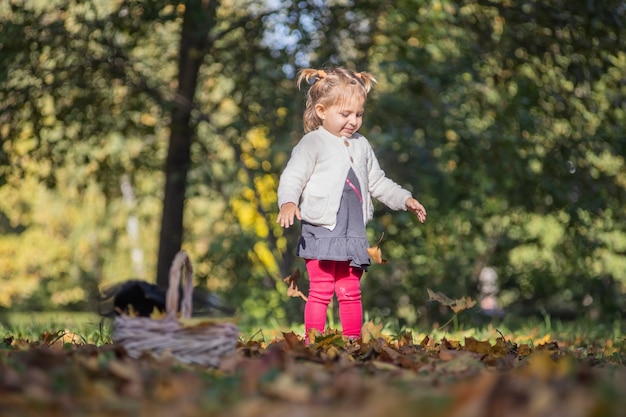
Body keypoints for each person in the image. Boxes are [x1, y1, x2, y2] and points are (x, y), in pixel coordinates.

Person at [276, 66, 427, 342]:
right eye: (345, 114)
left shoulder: (361, 145)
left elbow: (377, 182)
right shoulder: (313, 143)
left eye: (358, 114)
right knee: (321, 289)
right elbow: (293, 177)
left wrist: (404, 199)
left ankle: (353, 342)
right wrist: (287, 202)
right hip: (321, 229)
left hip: (353, 231)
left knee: (350, 290)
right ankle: (314, 342)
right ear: (322, 111)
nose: (353, 121)